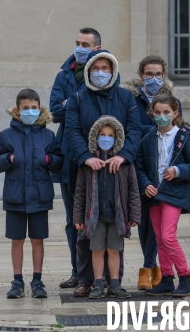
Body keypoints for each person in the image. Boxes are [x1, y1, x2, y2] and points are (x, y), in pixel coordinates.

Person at [65, 50, 141, 296]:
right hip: (88, 170)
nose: (100, 72)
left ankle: (113, 281)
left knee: (115, 229)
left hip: (118, 170)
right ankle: (87, 279)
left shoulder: (126, 98)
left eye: (105, 68)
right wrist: (86, 157)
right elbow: (72, 131)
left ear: (113, 71)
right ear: (88, 71)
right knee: (86, 230)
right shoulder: (78, 98)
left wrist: (124, 155)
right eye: (95, 68)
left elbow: (135, 129)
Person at [0, 89, 64, 299]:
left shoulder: (48, 135)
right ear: (17, 110)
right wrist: (8, 159)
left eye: (33, 108)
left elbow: (59, 161)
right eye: (25, 108)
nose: (30, 111)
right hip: (15, 197)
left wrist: (50, 161)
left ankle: (37, 280)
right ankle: (17, 280)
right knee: (17, 240)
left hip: (40, 196)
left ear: (39, 109)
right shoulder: (6, 135)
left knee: (38, 239)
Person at [135, 94, 190, 297]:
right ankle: (166, 278)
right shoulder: (148, 138)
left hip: (175, 192)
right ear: (152, 114)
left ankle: (185, 277)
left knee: (167, 235)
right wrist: (145, 184)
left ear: (175, 114)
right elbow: (139, 166)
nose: (161, 116)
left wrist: (178, 170)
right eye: (157, 113)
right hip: (154, 194)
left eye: (166, 112)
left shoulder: (185, 137)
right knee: (159, 237)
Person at [121, 55, 181, 290]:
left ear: (164, 75)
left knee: (159, 223)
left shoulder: (171, 100)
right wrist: (154, 128)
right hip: (138, 164)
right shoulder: (131, 98)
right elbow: (130, 128)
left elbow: (176, 128)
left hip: (161, 167)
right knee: (143, 220)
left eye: (158, 74)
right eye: (149, 74)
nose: (154, 78)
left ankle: (154, 269)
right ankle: (149, 267)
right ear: (141, 75)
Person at [49, 27, 101, 288]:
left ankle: (99, 274)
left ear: (96, 49)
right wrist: (78, 102)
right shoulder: (63, 76)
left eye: (85, 44)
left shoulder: (105, 73)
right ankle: (78, 272)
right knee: (74, 218)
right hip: (69, 154)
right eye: (77, 42)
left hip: (97, 154)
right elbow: (56, 112)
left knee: (100, 217)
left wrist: (73, 103)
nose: (79, 48)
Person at [73, 116, 141, 299]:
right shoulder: (87, 164)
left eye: (111, 135)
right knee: (97, 250)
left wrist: (134, 214)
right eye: (102, 134)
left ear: (117, 137)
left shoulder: (125, 162)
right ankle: (97, 284)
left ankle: (115, 284)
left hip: (117, 216)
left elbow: (133, 189)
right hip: (95, 217)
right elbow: (79, 192)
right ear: (95, 136)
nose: (106, 138)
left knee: (114, 250)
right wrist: (78, 217)